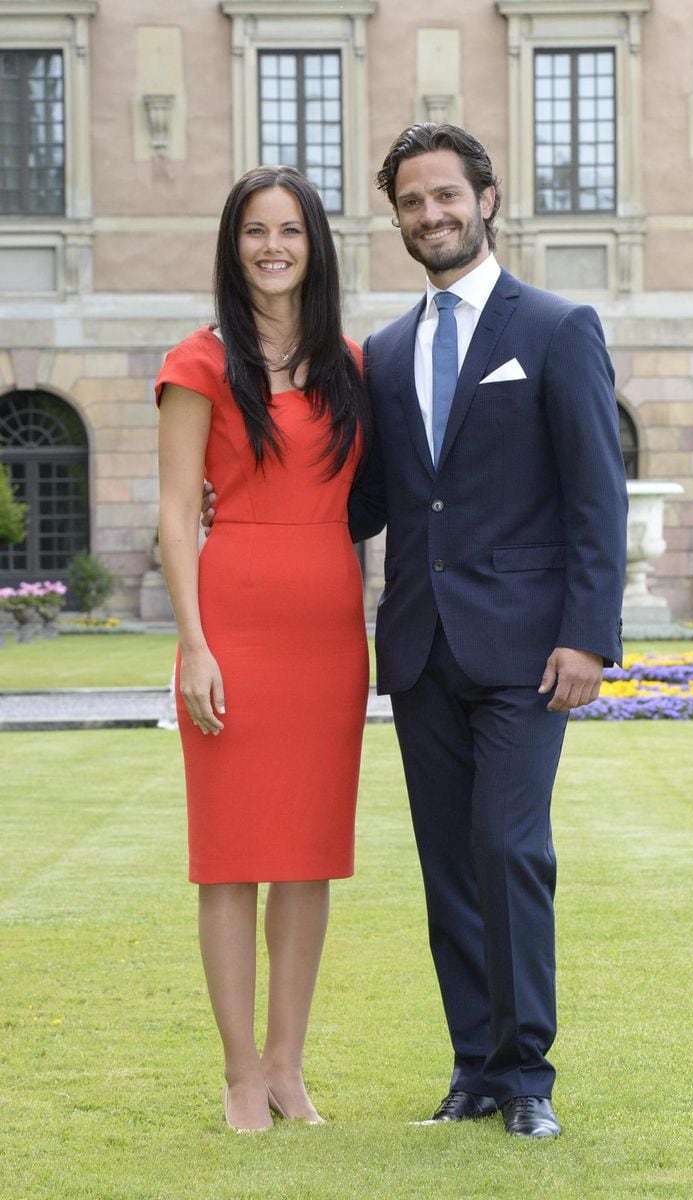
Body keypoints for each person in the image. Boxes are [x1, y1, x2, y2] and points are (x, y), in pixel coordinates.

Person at [203, 123, 628, 1138]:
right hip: (422, 647)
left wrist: (589, 636)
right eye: (412, 202)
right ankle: (474, 1069)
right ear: (394, 218)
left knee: (507, 846)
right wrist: (251, 508)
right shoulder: (383, 353)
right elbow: (371, 497)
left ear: (487, 198)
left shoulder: (558, 329)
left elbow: (596, 495)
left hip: (529, 650)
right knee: (448, 860)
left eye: (447, 196)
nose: (432, 215)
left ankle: (527, 1079)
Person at [156, 165, 371, 1133]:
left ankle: (289, 1067)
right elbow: (171, 514)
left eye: (290, 229)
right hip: (231, 623)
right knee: (231, 857)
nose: (272, 247)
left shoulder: (353, 370)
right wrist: (193, 645)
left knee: (307, 857)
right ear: (232, 245)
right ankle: (239, 1073)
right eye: (254, 230)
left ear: (314, 245)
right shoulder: (197, 364)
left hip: (329, 629)